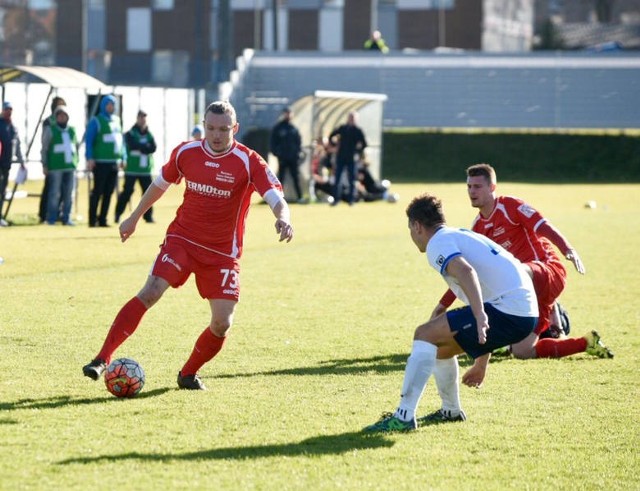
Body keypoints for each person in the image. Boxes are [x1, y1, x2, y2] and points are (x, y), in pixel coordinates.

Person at [82, 100, 294, 390]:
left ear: (236, 128)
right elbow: (160, 184)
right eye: (210, 128)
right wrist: (133, 217)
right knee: (150, 291)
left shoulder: (249, 160)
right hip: (182, 239)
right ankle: (102, 358)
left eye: (223, 129)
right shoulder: (187, 152)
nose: (216, 135)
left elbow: (275, 197)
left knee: (222, 324)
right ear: (203, 126)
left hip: (222, 253)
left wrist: (283, 218)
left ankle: (188, 374)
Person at [364, 193, 538, 433]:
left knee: (424, 334)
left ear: (417, 226)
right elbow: (489, 291)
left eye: (410, 229)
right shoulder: (458, 235)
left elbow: (467, 273)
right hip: (523, 312)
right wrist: (481, 361)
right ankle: (451, 411)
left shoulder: (438, 242)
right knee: (440, 348)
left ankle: (403, 416)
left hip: (509, 310)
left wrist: (479, 316)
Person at [433, 163, 613, 360]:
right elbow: (468, 273)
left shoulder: (510, 206)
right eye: (469, 186)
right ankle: (586, 342)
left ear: (492, 187)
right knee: (522, 351)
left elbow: (543, 225)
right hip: (528, 291)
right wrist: (443, 304)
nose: (471, 192)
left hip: (548, 270)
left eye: (477, 186)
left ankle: (537, 323)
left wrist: (567, 249)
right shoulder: (478, 229)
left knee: (511, 273)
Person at [85, 94, 125, 227]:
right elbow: (89, 141)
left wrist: (123, 157)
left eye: (112, 104)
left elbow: (121, 141)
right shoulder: (96, 121)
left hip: (113, 162)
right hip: (100, 162)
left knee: (109, 192)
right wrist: (90, 158)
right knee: (98, 191)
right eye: (108, 104)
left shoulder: (117, 121)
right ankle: (92, 219)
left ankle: (103, 219)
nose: (111, 107)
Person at [114, 110, 157, 224]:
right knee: (127, 192)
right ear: (137, 119)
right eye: (141, 118)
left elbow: (153, 148)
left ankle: (148, 217)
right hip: (132, 169)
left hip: (145, 170)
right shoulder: (130, 133)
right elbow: (132, 145)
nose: (143, 120)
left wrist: (141, 147)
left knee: (148, 193)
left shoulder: (149, 134)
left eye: (144, 118)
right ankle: (118, 214)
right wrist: (144, 146)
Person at [40, 105, 79, 226]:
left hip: (70, 167)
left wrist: (76, 162)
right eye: (59, 115)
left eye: (64, 115)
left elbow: (75, 147)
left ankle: (66, 217)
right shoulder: (50, 129)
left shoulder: (72, 130)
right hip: (55, 167)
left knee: (69, 194)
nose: (62, 117)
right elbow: (45, 148)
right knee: (54, 194)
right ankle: (51, 217)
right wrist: (45, 164)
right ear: (56, 117)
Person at [328, 112, 367, 206]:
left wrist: (356, 151)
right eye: (350, 117)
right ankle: (336, 199)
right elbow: (331, 136)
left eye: (353, 118)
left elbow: (364, 144)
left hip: (351, 158)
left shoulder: (358, 130)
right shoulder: (342, 128)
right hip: (341, 157)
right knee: (337, 179)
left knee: (352, 180)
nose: (351, 119)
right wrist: (334, 145)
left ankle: (351, 200)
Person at [39, 96, 67, 223]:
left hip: (64, 162)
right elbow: (45, 143)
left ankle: (59, 213)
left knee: (62, 189)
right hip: (52, 162)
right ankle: (44, 213)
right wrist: (45, 163)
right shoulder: (48, 122)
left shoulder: (67, 122)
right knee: (49, 189)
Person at [270, 107, 304, 203]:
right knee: (281, 179)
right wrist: (277, 153)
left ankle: (300, 197)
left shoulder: (293, 129)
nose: (288, 115)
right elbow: (273, 142)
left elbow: (298, 142)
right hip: (283, 158)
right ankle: (278, 198)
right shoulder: (278, 128)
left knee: (295, 178)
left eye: (289, 113)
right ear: (283, 114)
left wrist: (297, 153)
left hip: (293, 158)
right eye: (286, 113)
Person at [0, 101, 25, 227]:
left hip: (6, 163)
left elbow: (17, 145)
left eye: (10, 110)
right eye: (6, 109)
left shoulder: (13, 127)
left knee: (3, 190)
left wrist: (21, 160)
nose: (8, 112)